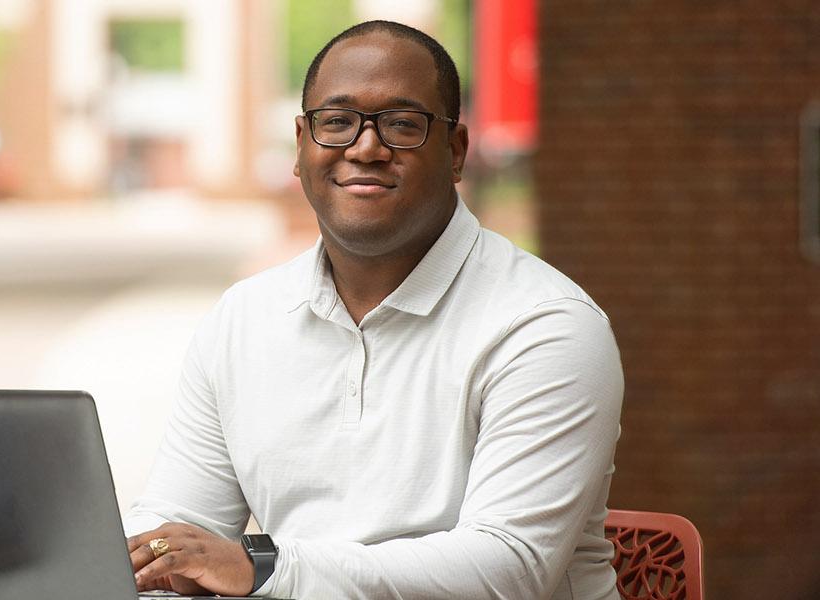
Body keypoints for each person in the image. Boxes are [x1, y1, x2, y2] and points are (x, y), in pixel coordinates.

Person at [123, 20, 623, 600]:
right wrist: (145, 560)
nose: (365, 147)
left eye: (402, 124)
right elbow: (179, 519)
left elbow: (507, 568)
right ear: (300, 145)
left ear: (456, 152)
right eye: (335, 122)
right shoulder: (244, 319)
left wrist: (265, 568)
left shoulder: (545, 326)